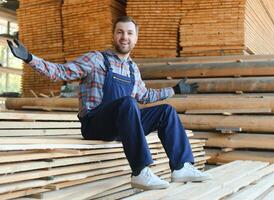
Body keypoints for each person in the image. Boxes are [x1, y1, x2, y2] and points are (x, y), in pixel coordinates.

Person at [8, 16, 212, 190]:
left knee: (166, 111)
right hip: (95, 124)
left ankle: (180, 167)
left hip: (123, 124)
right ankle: (140, 171)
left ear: (136, 38)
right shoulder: (96, 59)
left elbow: (144, 96)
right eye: (120, 32)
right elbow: (61, 72)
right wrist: (29, 58)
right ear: (114, 35)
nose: (125, 37)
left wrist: (174, 90)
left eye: (130, 33)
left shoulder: (133, 69)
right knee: (128, 104)